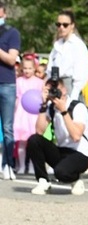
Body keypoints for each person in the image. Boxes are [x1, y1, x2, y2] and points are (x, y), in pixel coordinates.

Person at [27, 77, 88, 195]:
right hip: (61, 150)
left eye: (56, 89)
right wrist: (44, 105)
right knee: (34, 140)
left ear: (64, 90)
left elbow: (76, 136)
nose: (54, 92)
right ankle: (43, 180)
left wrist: (64, 111)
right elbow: (39, 131)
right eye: (50, 90)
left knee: (61, 173)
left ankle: (75, 179)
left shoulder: (77, 107)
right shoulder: (51, 108)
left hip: (81, 153)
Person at [46, 10, 88, 101]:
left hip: (70, 87)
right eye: (58, 25)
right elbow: (50, 68)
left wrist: (73, 96)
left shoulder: (78, 45)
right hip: (56, 84)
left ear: (72, 25)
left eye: (65, 25)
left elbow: (81, 73)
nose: (61, 27)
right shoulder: (57, 45)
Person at [0, 1, 20, 179]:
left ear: (4, 13)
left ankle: (8, 165)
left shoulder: (12, 33)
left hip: (6, 84)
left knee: (7, 127)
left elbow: (12, 59)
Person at [13, 56, 42, 176]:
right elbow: (16, 97)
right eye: (25, 68)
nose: (27, 71)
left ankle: (32, 166)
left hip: (34, 114)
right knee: (22, 141)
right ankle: (21, 165)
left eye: (30, 68)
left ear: (34, 68)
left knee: (33, 142)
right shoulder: (19, 81)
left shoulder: (39, 82)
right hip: (22, 114)